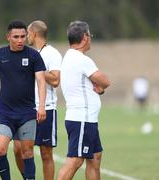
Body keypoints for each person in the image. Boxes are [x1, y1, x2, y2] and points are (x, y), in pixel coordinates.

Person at [0, 20, 47, 180]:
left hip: (27, 113)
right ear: (8, 37)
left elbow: (41, 81)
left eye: (23, 36)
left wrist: (42, 107)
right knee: (0, 150)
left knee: (27, 152)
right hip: (5, 113)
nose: (20, 40)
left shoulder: (33, 55)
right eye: (16, 37)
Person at [57, 21, 110, 180]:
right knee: (75, 161)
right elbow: (105, 81)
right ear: (85, 37)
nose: (91, 39)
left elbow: (91, 84)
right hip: (82, 119)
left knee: (95, 157)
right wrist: (101, 86)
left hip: (85, 119)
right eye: (90, 35)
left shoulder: (69, 56)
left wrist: (98, 88)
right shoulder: (82, 60)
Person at [13, 20, 62, 180]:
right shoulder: (29, 53)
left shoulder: (52, 53)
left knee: (45, 153)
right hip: (26, 109)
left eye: (27, 33)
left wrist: (37, 68)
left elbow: (55, 80)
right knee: (18, 149)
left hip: (46, 108)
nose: (25, 36)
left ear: (34, 34)